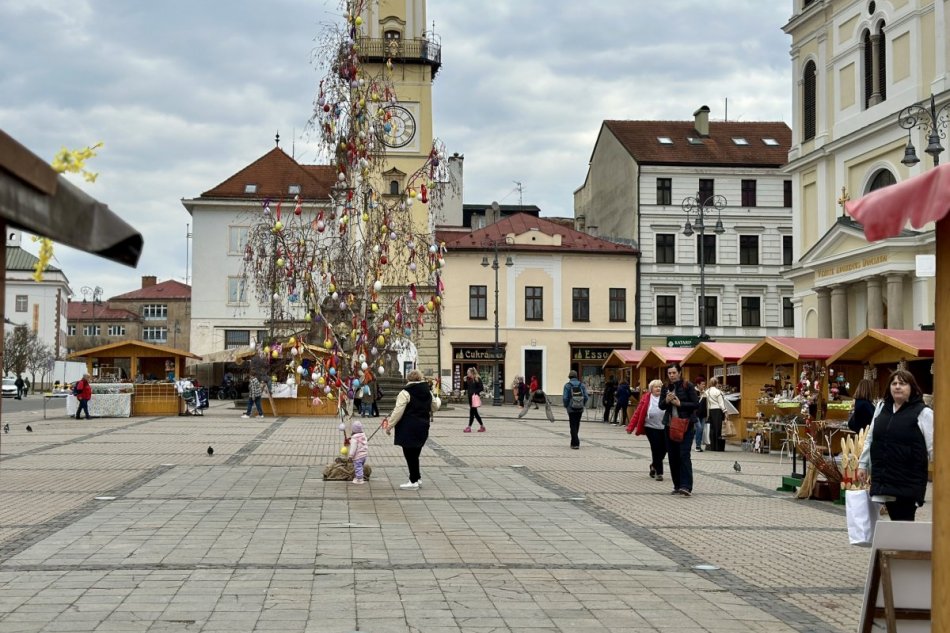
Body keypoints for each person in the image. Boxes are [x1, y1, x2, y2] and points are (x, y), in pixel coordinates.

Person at [856, 369, 933, 522]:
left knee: (904, 520)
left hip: (908, 479)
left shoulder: (923, 413)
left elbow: (934, 447)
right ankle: (902, 545)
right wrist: (863, 464)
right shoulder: (881, 408)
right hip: (885, 478)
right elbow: (871, 437)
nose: (897, 387)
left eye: (903, 384)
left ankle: (907, 546)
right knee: (896, 520)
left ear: (912, 388)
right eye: (894, 383)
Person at [384, 369, 441, 489]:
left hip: (408, 427)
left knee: (409, 454)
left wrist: (389, 425)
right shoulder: (427, 391)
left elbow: (398, 411)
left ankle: (413, 480)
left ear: (408, 379)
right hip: (423, 425)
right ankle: (417, 477)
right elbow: (435, 406)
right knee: (415, 454)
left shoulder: (405, 393)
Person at [658, 363, 700, 496]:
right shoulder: (665, 387)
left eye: (674, 373)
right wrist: (666, 400)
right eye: (669, 373)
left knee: (684, 455)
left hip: (686, 425)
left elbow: (695, 404)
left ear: (680, 373)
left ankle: (686, 486)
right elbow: (661, 406)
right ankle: (677, 485)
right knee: (673, 456)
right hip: (670, 425)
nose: (671, 375)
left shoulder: (688, 386)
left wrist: (680, 404)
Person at [627, 379, 667, 482]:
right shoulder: (646, 398)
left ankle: (654, 465)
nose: (658, 388)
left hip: (664, 427)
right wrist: (630, 427)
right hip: (650, 427)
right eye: (656, 387)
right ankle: (659, 472)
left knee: (664, 449)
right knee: (656, 448)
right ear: (651, 389)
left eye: (660, 387)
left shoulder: (666, 397)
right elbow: (638, 412)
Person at [562, 370, 588, 449]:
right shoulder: (582, 385)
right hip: (580, 407)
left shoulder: (567, 385)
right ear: (576, 376)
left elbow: (565, 397)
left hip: (571, 407)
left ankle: (575, 442)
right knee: (577, 424)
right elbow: (586, 397)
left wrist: (566, 405)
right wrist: (582, 404)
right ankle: (574, 441)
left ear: (569, 377)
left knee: (572, 424)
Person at [704, 377, 728, 452]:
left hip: (710, 411)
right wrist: (725, 412)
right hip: (718, 411)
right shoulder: (718, 392)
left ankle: (712, 446)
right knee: (719, 429)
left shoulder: (706, 392)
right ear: (716, 383)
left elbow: (706, 403)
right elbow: (721, 403)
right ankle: (718, 447)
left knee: (712, 429)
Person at [463, 367, 485, 432]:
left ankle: (469, 427)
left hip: (474, 398)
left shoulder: (477, 379)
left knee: (472, 412)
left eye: (468, 372)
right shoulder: (469, 379)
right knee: (475, 413)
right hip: (470, 397)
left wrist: (475, 392)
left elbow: (481, 388)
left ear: (472, 373)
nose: (467, 373)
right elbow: (466, 388)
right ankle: (482, 426)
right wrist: (465, 382)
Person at [349, 420, 369, 484]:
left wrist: (350, 456)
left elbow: (353, 448)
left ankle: (359, 479)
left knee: (358, 467)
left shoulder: (354, 439)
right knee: (360, 466)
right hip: (364, 455)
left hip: (358, 456)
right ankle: (359, 476)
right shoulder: (363, 436)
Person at [692, 376, 706, 451]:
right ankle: (697, 446)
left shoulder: (705, 392)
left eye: (704, 384)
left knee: (701, 429)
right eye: (702, 384)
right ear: (698, 384)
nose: (704, 386)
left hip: (703, 414)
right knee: (699, 428)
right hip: (695, 414)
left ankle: (699, 445)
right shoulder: (693, 392)